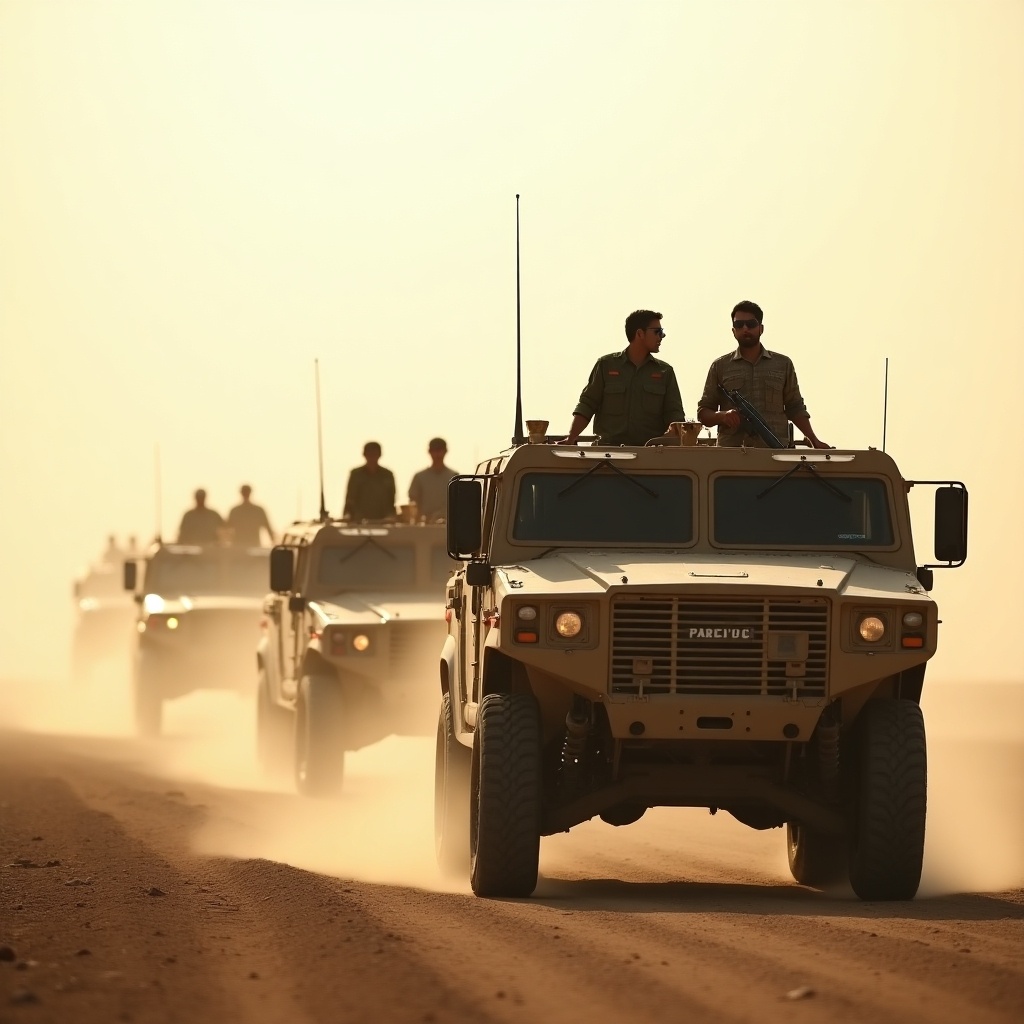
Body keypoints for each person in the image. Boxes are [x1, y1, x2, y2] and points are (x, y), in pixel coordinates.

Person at [697, 301, 831, 449]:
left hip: (774, 455)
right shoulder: (720, 366)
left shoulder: (783, 364)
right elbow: (704, 413)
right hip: (732, 456)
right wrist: (722, 416)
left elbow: (795, 407)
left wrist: (814, 440)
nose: (745, 329)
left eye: (751, 324)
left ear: (761, 328)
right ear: (733, 330)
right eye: (739, 324)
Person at [560, 309, 685, 445]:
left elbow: (675, 415)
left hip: (649, 456)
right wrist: (571, 438)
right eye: (657, 332)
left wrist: (672, 435)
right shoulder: (605, 365)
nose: (662, 336)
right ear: (639, 333)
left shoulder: (665, 372)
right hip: (607, 454)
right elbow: (587, 405)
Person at [343, 442, 397, 521]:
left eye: (374, 454)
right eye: (369, 454)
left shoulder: (387, 475)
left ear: (380, 455)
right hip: (359, 521)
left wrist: (391, 516)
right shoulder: (356, 475)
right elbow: (350, 498)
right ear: (364, 454)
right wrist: (347, 515)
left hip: (383, 521)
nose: (372, 457)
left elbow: (392, 499)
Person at [408, 438, 458, 520]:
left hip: (448, 524)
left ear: (445, 451)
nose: (437, 454)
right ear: (429, 452)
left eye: (440, 450)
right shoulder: (420, 477)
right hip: (425, 525)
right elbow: (413, 502)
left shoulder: (454, 477)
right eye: (434, 451)